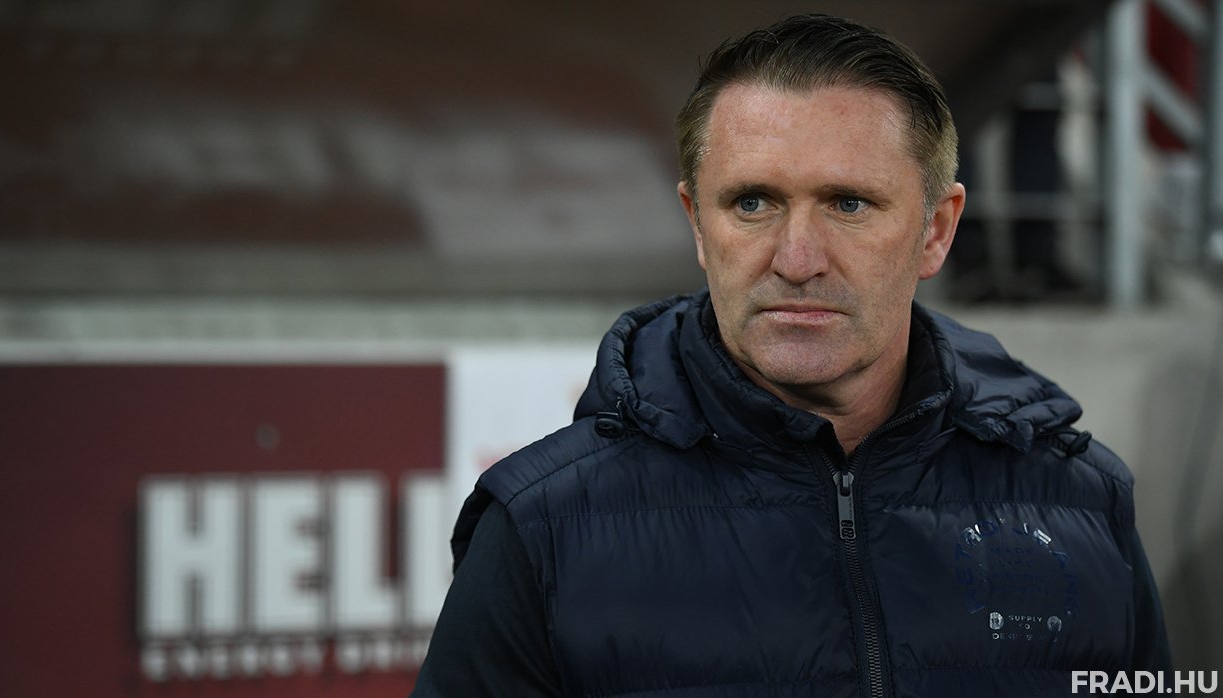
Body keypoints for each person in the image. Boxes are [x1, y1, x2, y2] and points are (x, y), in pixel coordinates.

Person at [411, 13, 1171, 697]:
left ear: (936, 231)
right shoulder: (542, 528)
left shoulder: (1082, 504)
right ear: (698, 226)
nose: (797, 259)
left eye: (848, 204)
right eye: (752, 203)